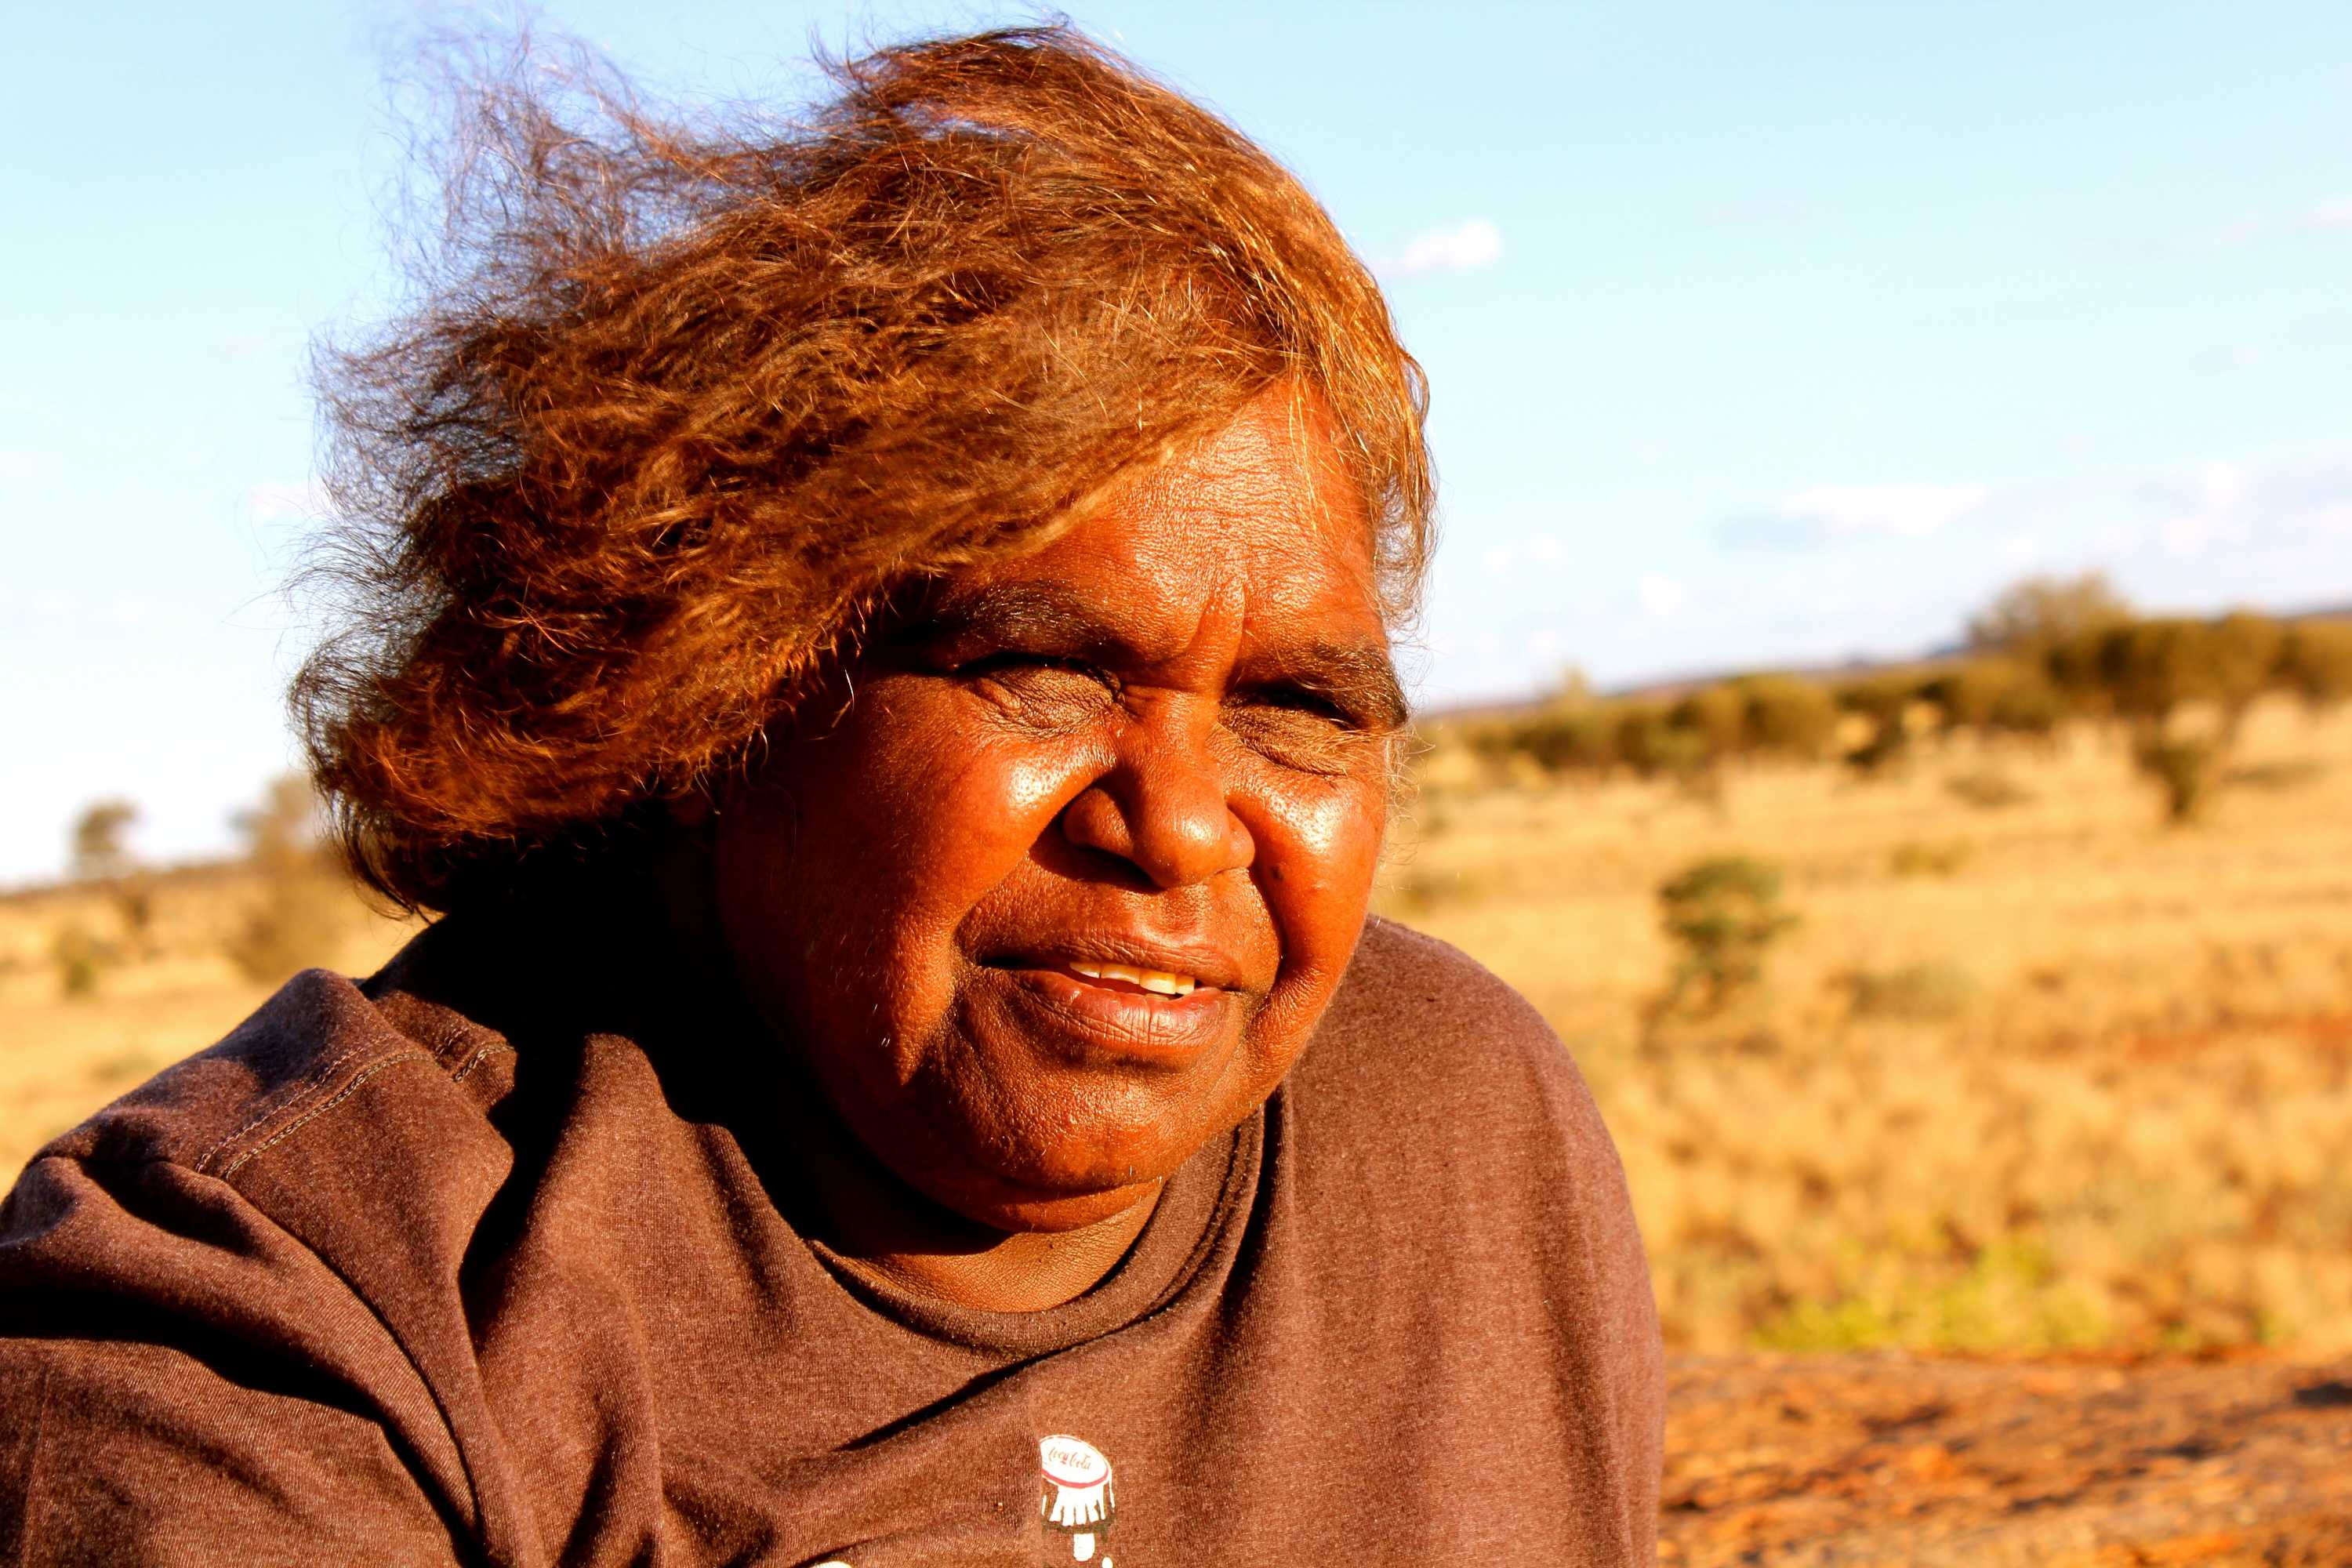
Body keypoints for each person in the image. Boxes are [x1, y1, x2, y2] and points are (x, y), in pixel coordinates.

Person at [0, 27, 1661, 1565]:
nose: (1177, 820)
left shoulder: (1456, 1122)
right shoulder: (287, 1311)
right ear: (711, 685)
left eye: (1298, 708)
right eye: (1045, 670)